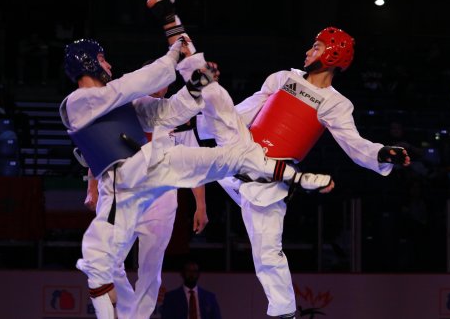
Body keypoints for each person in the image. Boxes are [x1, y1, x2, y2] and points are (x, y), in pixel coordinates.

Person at [62, 0, 333, 319]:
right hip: (122, 189)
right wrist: (174, 56)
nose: (109, 65)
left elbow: (168, 112)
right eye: (102, 60)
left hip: (157, 177)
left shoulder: (128, 103)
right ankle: (122, 313)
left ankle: (290, 177)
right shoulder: (76, 103)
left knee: (231, 152)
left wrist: (194, 87)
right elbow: (132, 85)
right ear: (86, 63)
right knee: (102, 262)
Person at [168, 25, 410, 318]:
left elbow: (354, 144)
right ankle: (177, 34)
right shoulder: (283, 78)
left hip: (268, 182)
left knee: (268, 255)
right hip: (237, 156)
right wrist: (201, 127)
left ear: (333, 55)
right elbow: (244, 111)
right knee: (201, 118)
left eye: (317, 47)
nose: (308, 52)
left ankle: (284, 315)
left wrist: (382, 152)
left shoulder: (336, 103)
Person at [83, 85, 209, 319]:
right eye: (156, 80)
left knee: (151, 268)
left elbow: (194, 163)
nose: (161, 87)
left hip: (162, 198)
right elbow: (99, 146)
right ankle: (127, 310)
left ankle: (139, 317)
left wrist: (200, 205)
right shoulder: (125, 107)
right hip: (126, 194)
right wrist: (92, 187)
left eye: (165, 83)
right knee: (109, 259)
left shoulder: (177, 115)